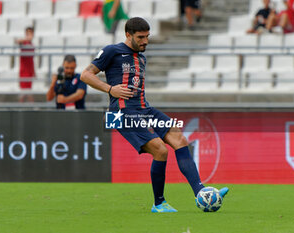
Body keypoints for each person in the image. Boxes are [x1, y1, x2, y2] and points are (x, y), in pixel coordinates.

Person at [81, 17, 229, 213]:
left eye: (147, 36)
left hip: (145, 109)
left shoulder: (141, 57)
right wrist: (110, 90)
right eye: (140, 37)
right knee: (161, 150)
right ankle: (159, 203)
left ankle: (201, 192)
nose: (145, 41)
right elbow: (85, 75)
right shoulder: (112, 51)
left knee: (180, 139)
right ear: (128, 35)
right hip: (123, 113)